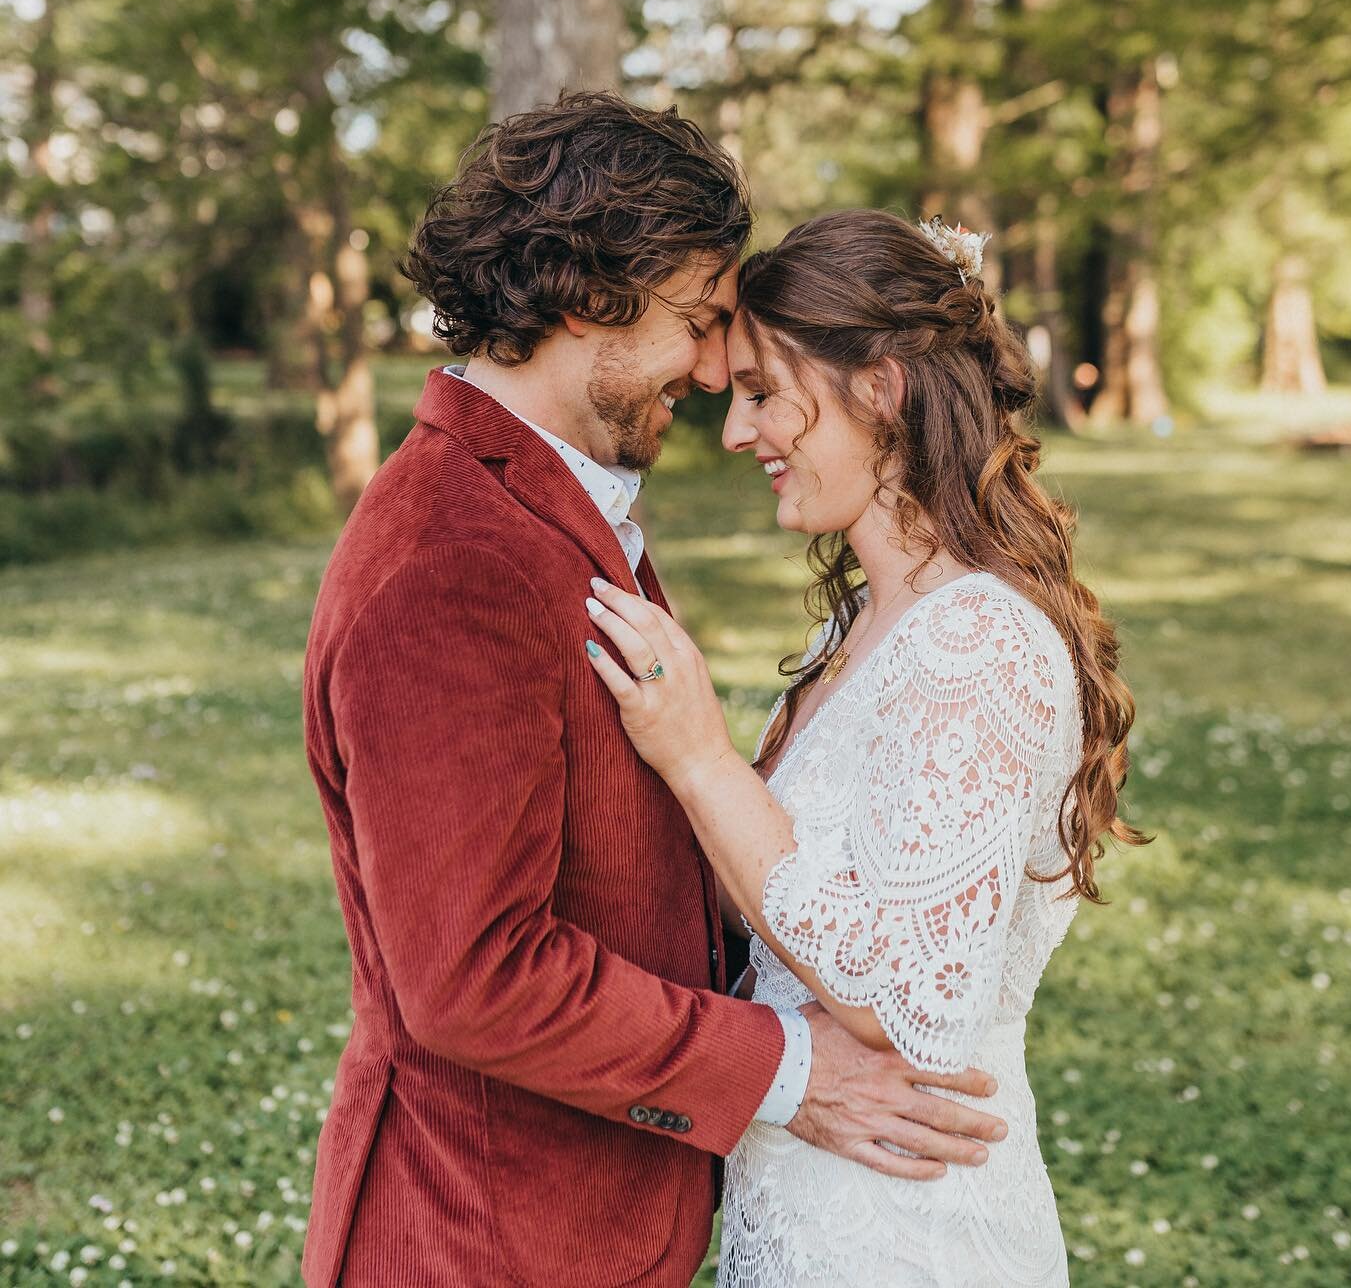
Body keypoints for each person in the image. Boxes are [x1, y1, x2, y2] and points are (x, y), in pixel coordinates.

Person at [300, 99, 1005, 1288]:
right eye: (701, 320)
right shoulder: (450, 557)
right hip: (482, 1239)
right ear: (590, 295)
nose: (723, 365)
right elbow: (473, 977)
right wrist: (788, 1068)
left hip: (591, 1226)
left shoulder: (553, 503)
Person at [584, 207, 1144, 1287]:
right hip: (807, 1215)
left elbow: (910, 1004)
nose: (737, 432)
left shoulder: (978, 638)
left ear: (880, 386)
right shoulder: (863, 629)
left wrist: (700, 760)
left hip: (910, 1235)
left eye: (759, 391)